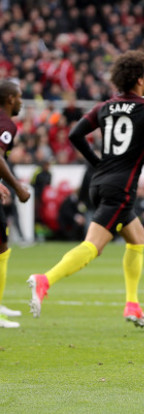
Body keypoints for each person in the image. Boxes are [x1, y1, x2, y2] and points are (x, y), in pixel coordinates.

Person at [27, 50, 144, 328]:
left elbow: (75, 134)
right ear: (138, 80)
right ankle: (45, 280)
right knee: (93, 247)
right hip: (120, 188)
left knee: (137, 237)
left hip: (99, 181)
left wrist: (98, 162)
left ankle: (133, 305)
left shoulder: (105, 106)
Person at [0, 80, 31, 328]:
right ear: (10, 99)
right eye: (20, 97)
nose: (22, 101)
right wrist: (17, 186)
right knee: (1, 246)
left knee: (2, 244)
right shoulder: (6, 123)